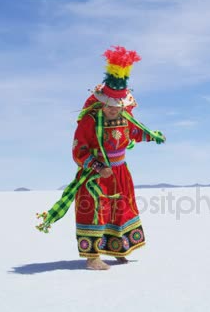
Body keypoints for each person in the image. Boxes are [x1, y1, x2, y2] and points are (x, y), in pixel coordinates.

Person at [36, 46, 166, 270]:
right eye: (109, 105)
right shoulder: (88, 122)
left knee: (121, 208)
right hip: (96, 176)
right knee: (96, 210)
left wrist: (151, 136)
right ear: (101, 101)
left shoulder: (126, 117)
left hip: (120, 173)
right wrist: (97, 166)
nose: (114, 109)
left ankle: (118, 248)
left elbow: (133, 133)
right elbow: (79, 151)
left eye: (118, 105)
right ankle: (92, 257)